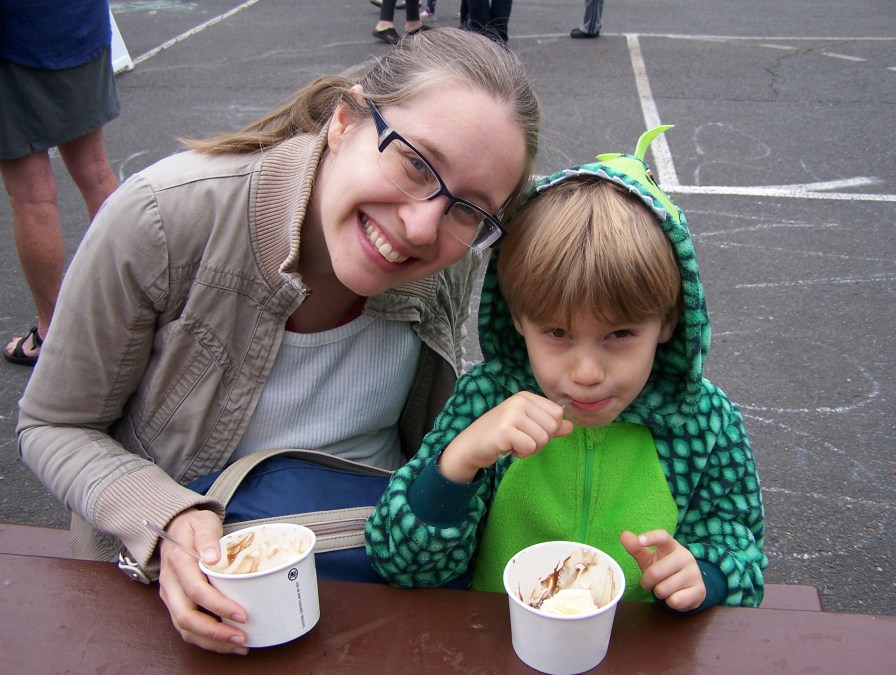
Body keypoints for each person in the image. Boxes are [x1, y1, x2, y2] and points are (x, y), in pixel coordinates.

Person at [17, 27, 541, 654]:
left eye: (468, 208)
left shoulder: (453, 261)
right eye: (414, 163)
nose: (421, 226)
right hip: (193, 602)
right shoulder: (164, 219)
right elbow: (52, 424)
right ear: (345, 121)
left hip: (375, 586)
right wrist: (166, 518)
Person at [366, 127, 767, 612]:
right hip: (499, 646)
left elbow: (739, 547)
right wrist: (459, 461)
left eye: (619, 334)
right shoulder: (486, 402)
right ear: (518, 321)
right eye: (557, 333)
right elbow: (401, 564)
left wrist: (706, 575)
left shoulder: (703, 421)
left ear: (667, 322)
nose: (587, 372)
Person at [0, 0, 120, 366]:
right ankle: (130, 310)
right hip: (79, 24)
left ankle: (53, 332)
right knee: (96, 172)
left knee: (32, 197)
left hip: (15, 35)